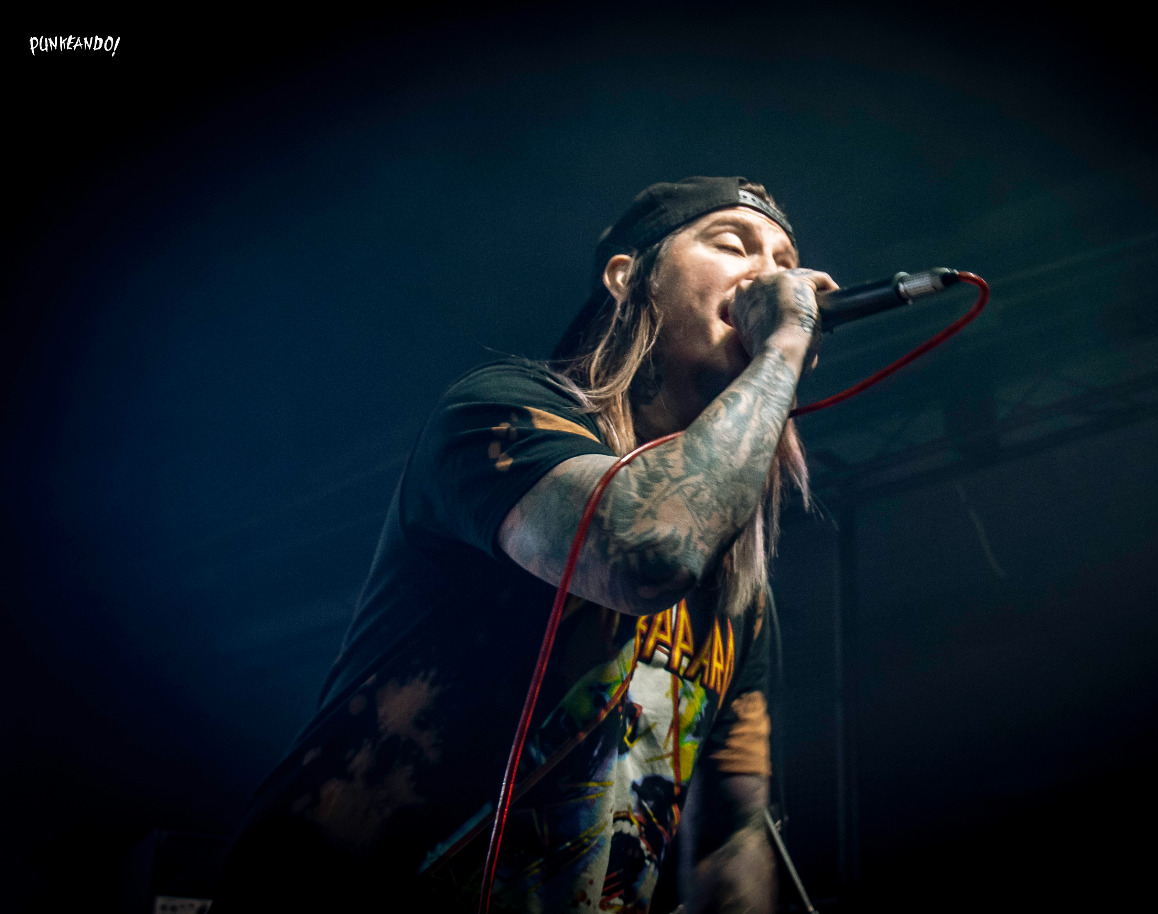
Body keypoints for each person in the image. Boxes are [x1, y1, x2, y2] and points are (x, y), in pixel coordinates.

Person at [211, 176, 836, 913]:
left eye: (786, 260)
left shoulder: (738, 595)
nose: (774, 277)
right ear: (626, 277)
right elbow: (645, 549)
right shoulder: (498, 413)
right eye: (733, 245)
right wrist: (782, 345)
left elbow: (729, 838)